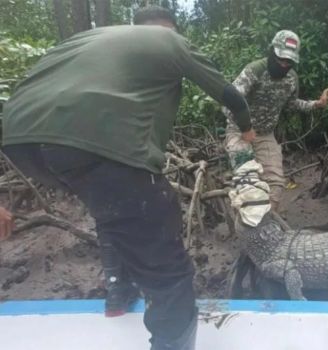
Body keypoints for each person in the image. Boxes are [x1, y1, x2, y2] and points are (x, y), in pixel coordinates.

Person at [2, 6, 253, 350]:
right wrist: (248, 131)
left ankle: (118, 292)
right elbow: (231, 95)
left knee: (113, 205)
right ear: (170, 30)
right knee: (167, 265)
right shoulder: (171, 42)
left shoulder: (89, 38)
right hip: (98, 144)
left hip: (20, 142)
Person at [224, 30, 328, 211]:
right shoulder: (255, 70)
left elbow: (291, 104)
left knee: (275, 183)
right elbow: (229, 102)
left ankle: (266, 223)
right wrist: (245, 127)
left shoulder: (291, 79)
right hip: (239, 131)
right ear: (272, 51)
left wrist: (316, 104)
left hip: (265, 135)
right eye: (280, 58)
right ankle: (244, 225)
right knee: (247, 180)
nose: (283, 64)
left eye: (288, 61)